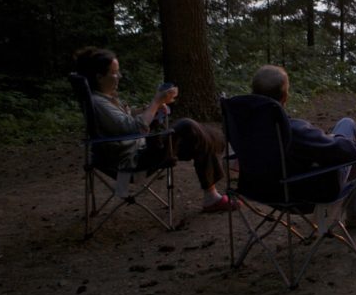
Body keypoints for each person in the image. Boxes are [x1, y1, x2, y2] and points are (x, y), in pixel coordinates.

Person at [74, 47, 238, 213]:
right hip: (134, 160)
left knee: (201, 136)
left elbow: (127, 121)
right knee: (187, 126)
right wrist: (156, 102)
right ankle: (228, 161)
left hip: (141, 149)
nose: (120, 76)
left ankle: (213, 193)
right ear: (99, 77)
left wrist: (152, 109)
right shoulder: (99, 103)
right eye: (114, 73)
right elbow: (134, 128)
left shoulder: (106, 98)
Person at [250, 65, 356, 228]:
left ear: (253, 94)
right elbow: (342, 151)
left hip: (260, 189)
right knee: (349, 128)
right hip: (309, 192)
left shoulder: (243, 128)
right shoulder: (292, 130)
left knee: (350, 143)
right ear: (285, 97)